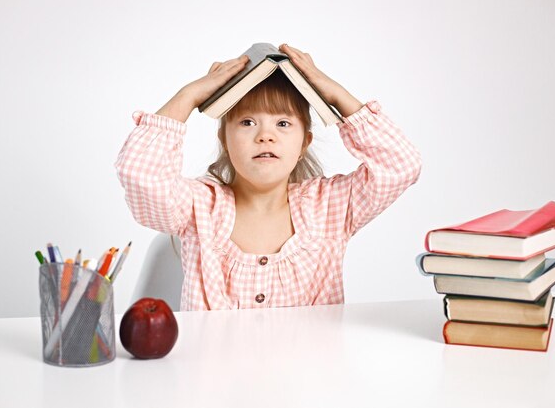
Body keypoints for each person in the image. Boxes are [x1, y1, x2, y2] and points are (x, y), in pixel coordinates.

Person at [115, 43, 422, 311]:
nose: (265, 136)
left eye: (283, 124)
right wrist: (189, 96)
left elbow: (401, 165)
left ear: (304, 143)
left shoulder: (330, 207)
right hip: (212, 372)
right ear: (225, 140)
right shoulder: (198, 208)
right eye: (248, 122)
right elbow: (140, 173)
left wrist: (335, 93)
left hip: (311, 373)